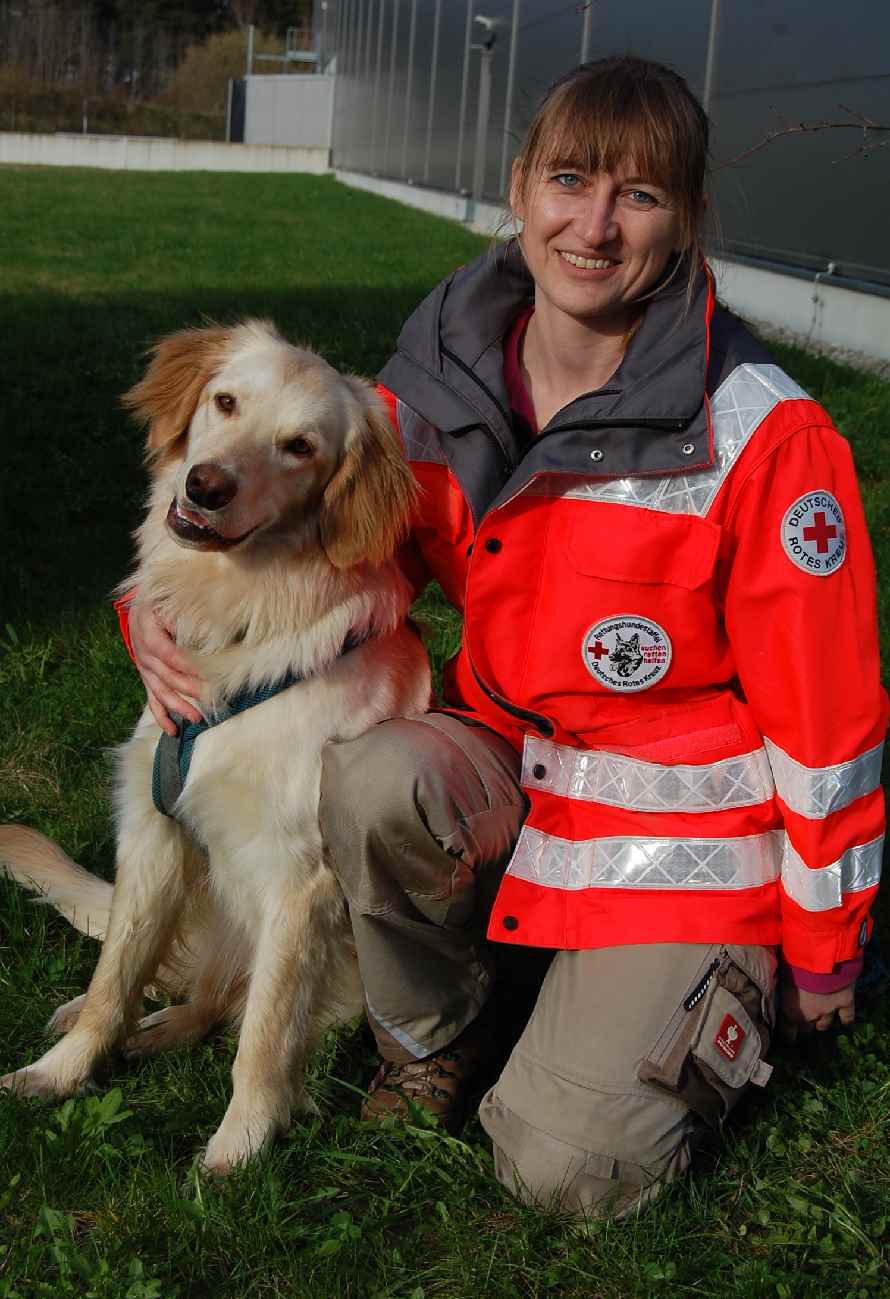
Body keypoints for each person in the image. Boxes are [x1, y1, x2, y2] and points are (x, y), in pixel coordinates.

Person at [123, 57, 886, 1219]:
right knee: (375, 771)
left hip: (676, 855)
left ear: (683, 217)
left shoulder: (767, 439)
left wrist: (827, 944)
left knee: (561, 1171)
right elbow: (305, 540)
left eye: (637, 196)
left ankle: (675, 991)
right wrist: (150, 613)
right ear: (520, 185)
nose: (593, 225)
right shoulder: (435, 383)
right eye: (568, 181)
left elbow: (826, 720)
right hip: (511, 771)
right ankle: (434, 1035)